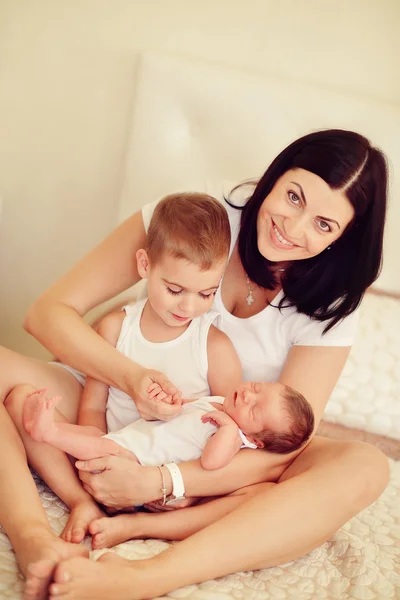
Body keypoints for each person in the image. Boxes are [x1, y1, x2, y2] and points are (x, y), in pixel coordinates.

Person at [0, 130, 390, 600]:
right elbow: (47, 312)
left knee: (366, 466)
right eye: (293, 196)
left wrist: (163, 479)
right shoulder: (197, 218)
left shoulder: (332, 304)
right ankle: (32, 539)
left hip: (219, 450)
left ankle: (144, 577)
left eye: (324, 225)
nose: (293, 227)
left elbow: (283, 446)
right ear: (275, 176)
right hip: (109, 396)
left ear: (343, 239)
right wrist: (131, 378)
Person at [23, 381, 314, 470]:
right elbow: (183, 411)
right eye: (257, 387)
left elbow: (212, 462)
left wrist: (226, 428)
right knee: (94, 436)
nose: (248, 395)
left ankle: (49, 433)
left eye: (255, 408)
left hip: (139, 460)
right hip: (132, 439)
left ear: (256, 440)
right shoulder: (220, 402)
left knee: (100, 446)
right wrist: (173, 402)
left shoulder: (234, 437)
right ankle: (46, 425)